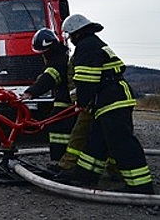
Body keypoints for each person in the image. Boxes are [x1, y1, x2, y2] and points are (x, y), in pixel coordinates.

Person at [59, 14, 154, 194]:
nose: (70, 40)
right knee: (97, 139)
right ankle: (86, 174)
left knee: (121, 142)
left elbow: (87, 79)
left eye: (70, 35)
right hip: (109, 98)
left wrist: (82, 102)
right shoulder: (93, 43)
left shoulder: (86, 47)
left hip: (113, 99)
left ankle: (140, 186)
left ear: (76, 33)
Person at [21, 28, 77, 164]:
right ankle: (64, 162)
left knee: (58, 128)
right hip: (67, 100)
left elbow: (49, 78)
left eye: (43, 53)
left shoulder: (57, 61)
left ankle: (62, 163)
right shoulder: (61, 57)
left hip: (66, 102)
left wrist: (30, 92)